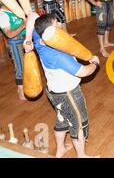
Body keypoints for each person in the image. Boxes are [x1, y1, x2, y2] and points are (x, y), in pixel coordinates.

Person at [24, 13, 100, 158]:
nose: (59, 25)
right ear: (49, 32)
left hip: (53, 91)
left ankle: (60, 150)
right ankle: (82, 155)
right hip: (69, 94)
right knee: (77, 123)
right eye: (56, 25)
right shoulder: (58, 56)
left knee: (62, 119)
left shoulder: (38, 37)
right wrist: (95, 62)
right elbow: (84, 72)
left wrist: (27, 40)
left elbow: (32, 15)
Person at [0, 0, 27, 100]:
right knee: (20, 67)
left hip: (24, 40)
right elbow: (9, 34)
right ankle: (21, 93)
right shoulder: (1, 16)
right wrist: (24, 25)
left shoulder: (14, 10)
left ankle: (27, 86)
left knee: (27, 65)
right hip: (15, 44)